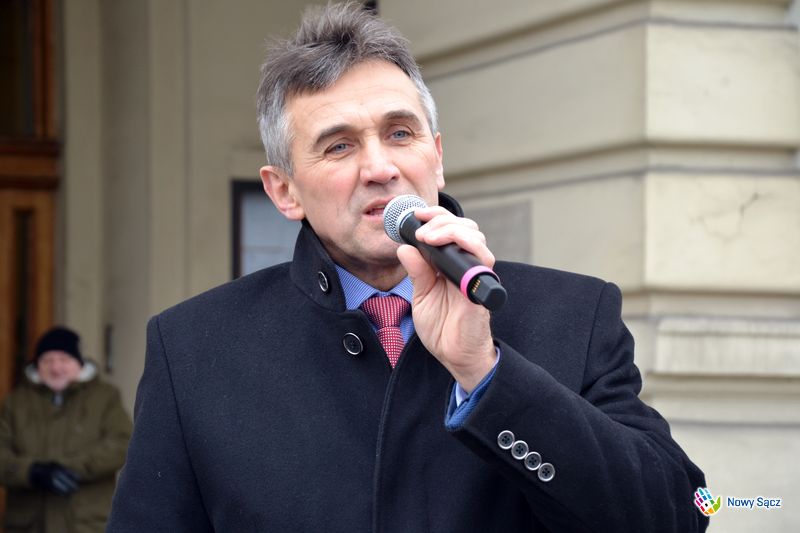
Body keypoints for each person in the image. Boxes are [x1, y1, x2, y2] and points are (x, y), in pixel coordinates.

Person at [108, 3, 708, 531]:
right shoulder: (193, 348)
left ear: (436, 158)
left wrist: (486, 375)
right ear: (284, 191)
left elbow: (678, 515)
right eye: (339, 145)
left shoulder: (576, 315)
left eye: (400, 133)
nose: (380, 168)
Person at [0, 326, 132, 533]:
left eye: (64, 359)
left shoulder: (105, 397)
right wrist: (32, 472)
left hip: (86, 523)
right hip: (29, 524)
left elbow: (122, 443)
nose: (56, 368)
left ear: (79, 363)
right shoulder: (15, 403)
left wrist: (72, 468)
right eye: (47, 360)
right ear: (37, 365)